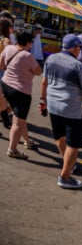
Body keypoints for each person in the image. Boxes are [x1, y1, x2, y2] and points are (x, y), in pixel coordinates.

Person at [41, 33, 82, 189]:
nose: (80, 51)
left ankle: (68, 164)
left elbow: (44, 83)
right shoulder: (78, 66)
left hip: (53, 104)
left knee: (60, 136)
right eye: (79, 48)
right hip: (70, 108)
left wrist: (42, 100)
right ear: (75, 48)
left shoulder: (50, 59)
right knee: (73, 144)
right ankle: (65, 177)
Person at [0, 30, 41, 158]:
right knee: (18, 121)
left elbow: (1, 64)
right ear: (28, 43)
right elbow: (39, 71)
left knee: (19, 118)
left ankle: (27, 141)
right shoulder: (28, 56)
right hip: (21, 91)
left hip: (6, 85)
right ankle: (12, 150)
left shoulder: (8, 48)